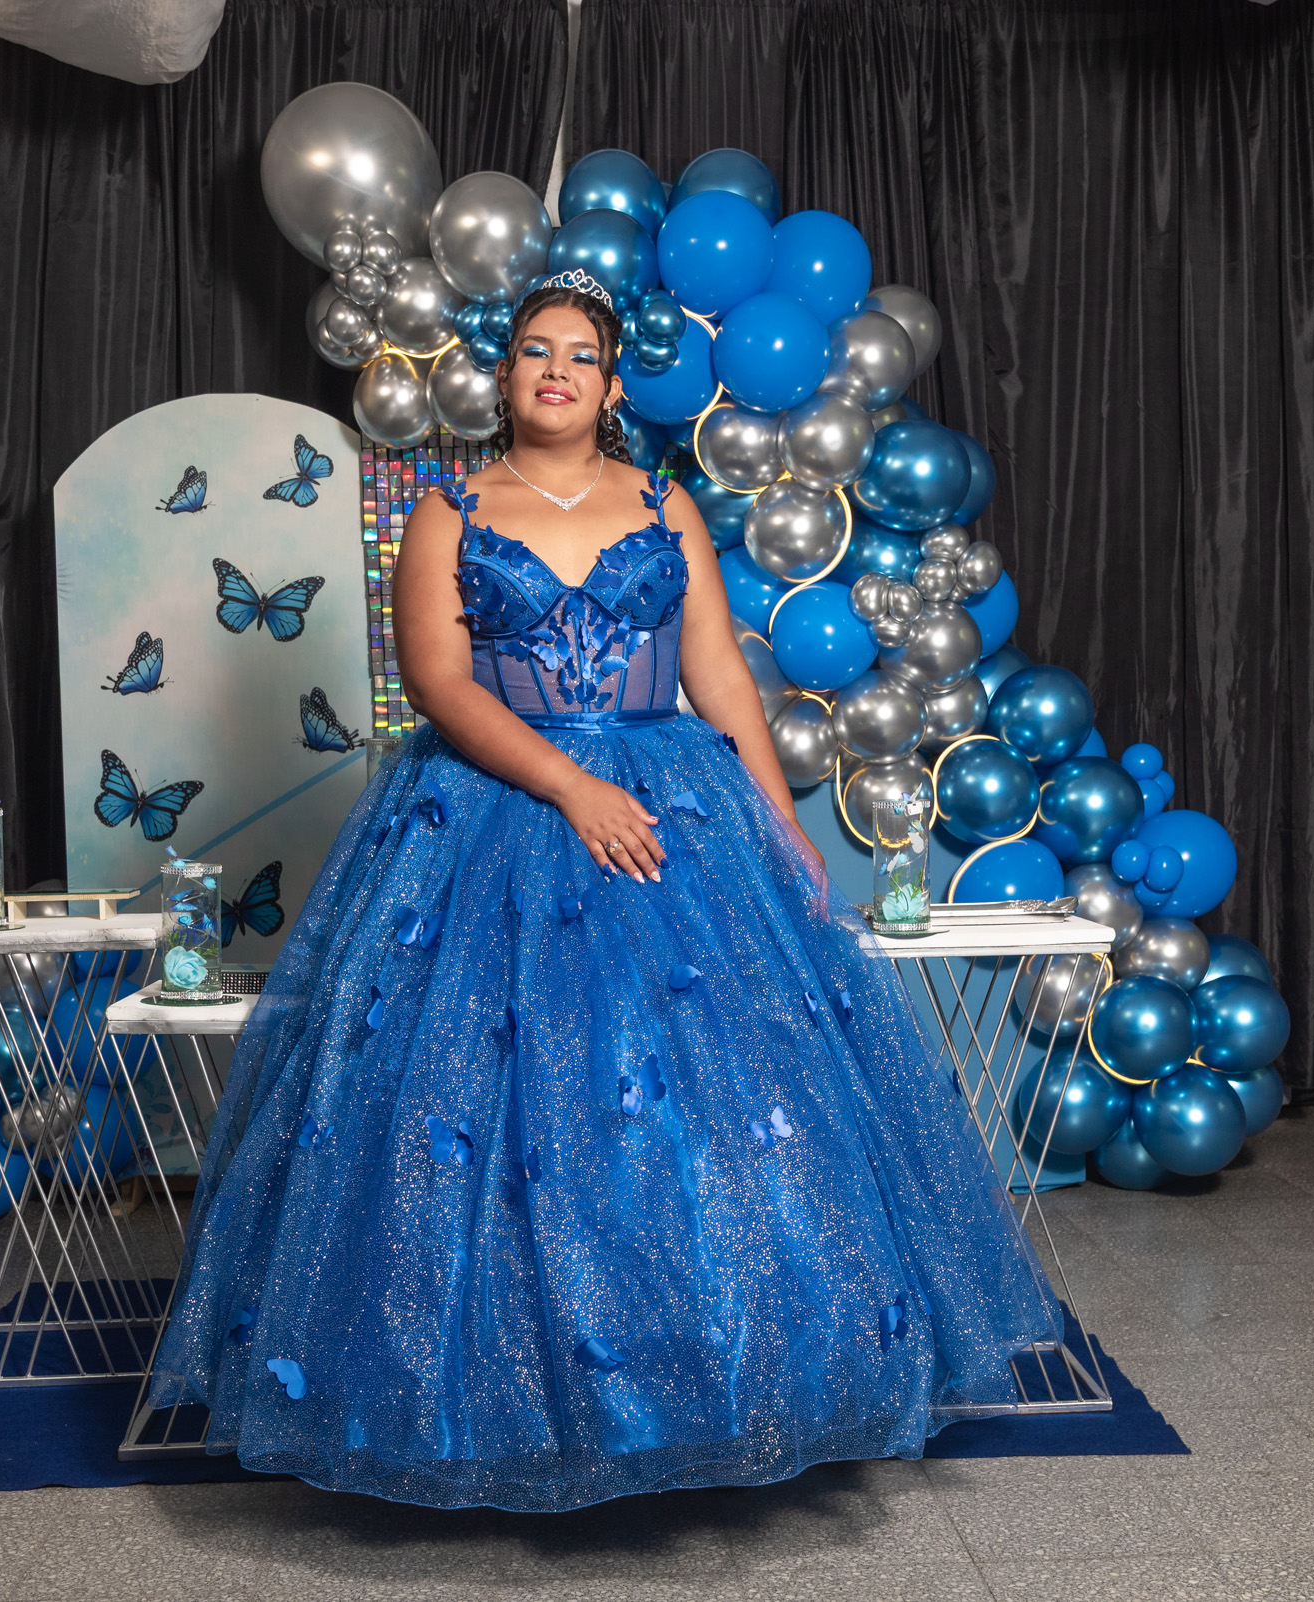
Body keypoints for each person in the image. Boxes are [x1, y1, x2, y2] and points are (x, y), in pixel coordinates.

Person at [146, 270, 1060, 1511]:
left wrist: (781, 826)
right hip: (493, 809)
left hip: (674, 808)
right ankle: (505, 1396)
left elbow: (719, 675)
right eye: (536, 350)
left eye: (581, 355)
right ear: (506, 375)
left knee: (690, 1095)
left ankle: (704, 1373)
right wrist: (573, 789)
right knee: (485, 1094)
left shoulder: (663, 501)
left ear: (613, 385)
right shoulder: (448, 508)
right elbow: (439, 686)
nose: (557, 371)